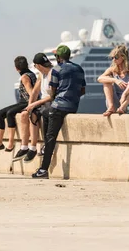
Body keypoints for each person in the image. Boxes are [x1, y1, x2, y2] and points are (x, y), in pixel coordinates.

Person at [32, 45, 86, 179]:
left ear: (58, 57)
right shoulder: (79, 68)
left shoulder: (56, 70)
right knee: (45, 114)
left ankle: (43, 169)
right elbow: (83, 90)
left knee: (50, 137)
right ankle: (45, 147)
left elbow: (52, 92)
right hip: (73, 106)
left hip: (58, 106)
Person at [0, 56, 37, 152]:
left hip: (27, 102)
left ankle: (11, 142)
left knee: (10, 113)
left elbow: (31, 93)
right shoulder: (31, 74)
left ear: (16, 68)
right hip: (23, 102)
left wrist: (30, 106)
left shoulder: (25, 77)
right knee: (0, 113)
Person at [15, 53, 53, 162]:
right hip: (41, 103)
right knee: (25, 114)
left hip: (49, 104)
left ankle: (33, 148)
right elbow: (35, 92)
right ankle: (24, 147)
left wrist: (34, 105)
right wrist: (30, 106)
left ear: (38, 65)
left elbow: (52, 96)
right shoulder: (41, 75)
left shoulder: (51, 74)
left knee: (35, 114)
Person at [98, 45, 129, 116]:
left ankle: (122, 107)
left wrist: (124, 94)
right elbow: (99, 78)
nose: (113, 60)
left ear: (123, 57)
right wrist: (115, 80)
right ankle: (111, 107)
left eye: (116, 57)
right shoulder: (112, 69)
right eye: (112, 58)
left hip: (128, 102)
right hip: (116, 101)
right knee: (106, 81)